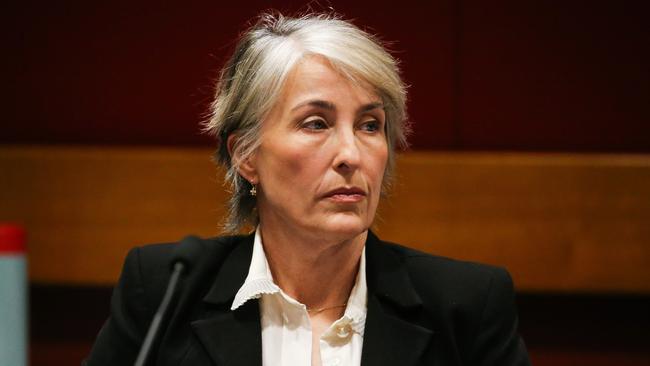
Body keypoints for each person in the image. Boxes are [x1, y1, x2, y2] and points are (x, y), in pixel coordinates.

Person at [84, 12, 530, 366]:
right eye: (316, 123)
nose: (351, 154)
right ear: (247, 156)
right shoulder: (164, 292)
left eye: (370, 125)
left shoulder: (464, 305)